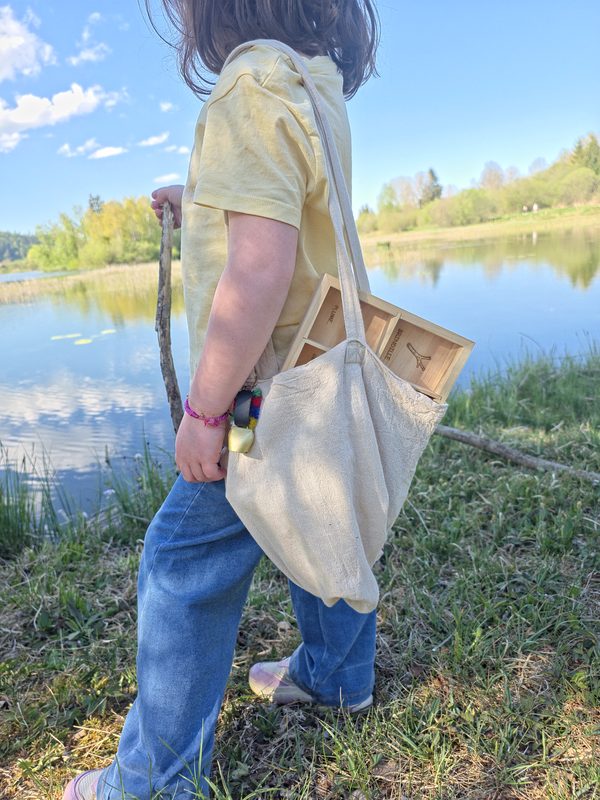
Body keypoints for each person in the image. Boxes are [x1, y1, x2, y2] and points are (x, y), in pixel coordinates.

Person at [63, 1, 380, 798]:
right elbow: (284, 209)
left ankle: (153, 779)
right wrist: (200, 195)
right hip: (324, 374)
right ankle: (339, 675)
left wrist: (208, 414)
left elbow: (258, 269)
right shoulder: (309, 81)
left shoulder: (248, 85)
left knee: (184, 560)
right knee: (322, 515)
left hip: (260, 400)